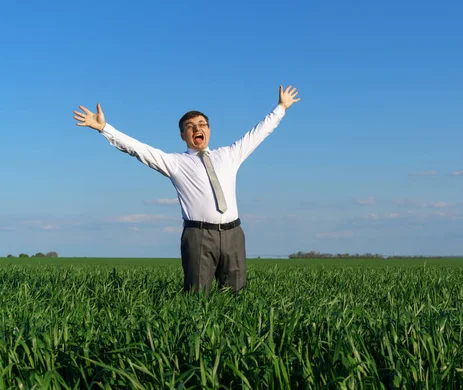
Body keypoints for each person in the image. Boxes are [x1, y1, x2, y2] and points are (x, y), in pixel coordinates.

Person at [73, 85, 300, 294]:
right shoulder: (175, 163)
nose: (196, 129)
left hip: (234, 234)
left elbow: (259, 133)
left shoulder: (229, 154)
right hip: (198, 236)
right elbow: (137, 149)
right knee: (196, 296)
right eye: (190, 127)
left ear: (209, 130)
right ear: (183, 135)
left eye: (201, 125)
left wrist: (281, 108)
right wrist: (104, 128)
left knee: (236, 295)